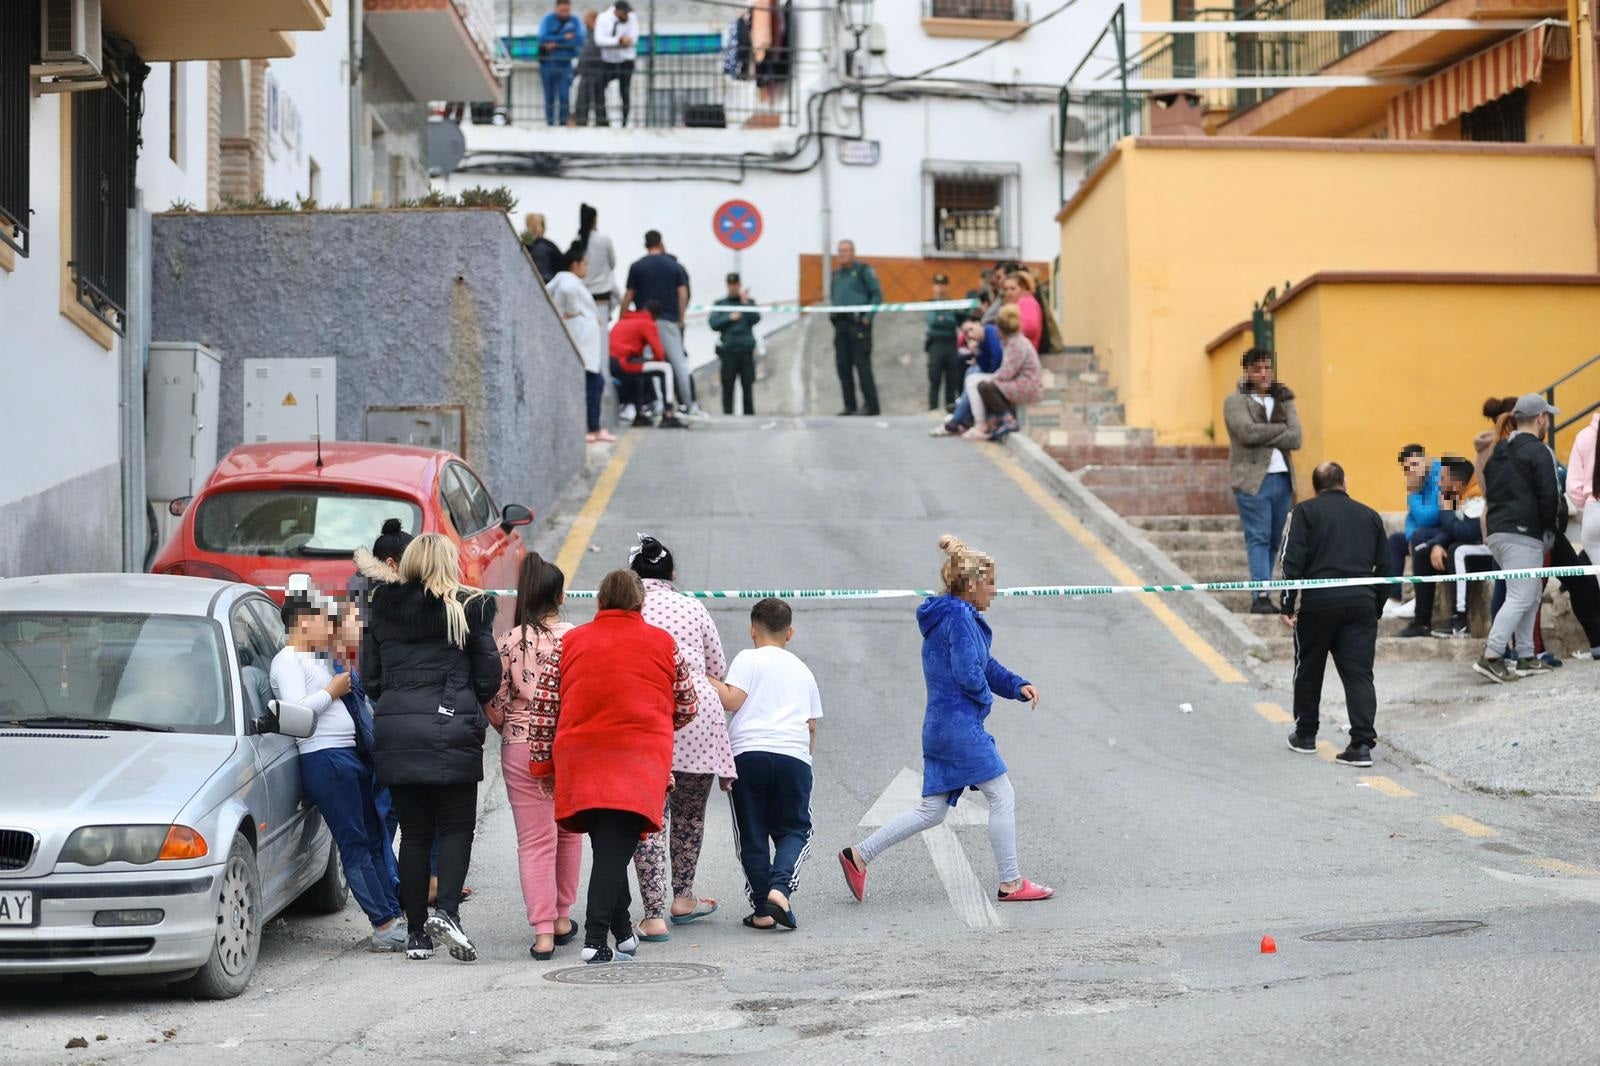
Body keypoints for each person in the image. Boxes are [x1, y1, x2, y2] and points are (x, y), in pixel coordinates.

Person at [838, 535, 1052, 904]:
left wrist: (1018, 685)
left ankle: (859, 855)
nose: (995, 592)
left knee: (932, 810)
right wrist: (986, 700)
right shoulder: (961, 618)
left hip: (937, 727)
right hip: (959, 728)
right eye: (990, 584)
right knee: (1002, 795)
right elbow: (972, 673)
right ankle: (1011, 883)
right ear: (971, 586)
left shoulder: (944, 616)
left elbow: (985, 665)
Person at [528, 570, 698, 964]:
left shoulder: (571, 642)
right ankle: (595, 938)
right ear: (640, 603)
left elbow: (545, 707)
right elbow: (688, 704)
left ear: (600, 601)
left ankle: (622, 934)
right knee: (613, 850)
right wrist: (655, 720)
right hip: (638, 762)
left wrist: (543, 767)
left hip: (581, 760)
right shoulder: (662, 643)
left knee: (608, 846)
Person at [362, 534, 499, 962]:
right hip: (452, 730)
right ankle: (449, 914)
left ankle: (417, 933)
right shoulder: (469, 608)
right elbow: (489, 677)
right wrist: (461, 696)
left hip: (397, 734)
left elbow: (371, 678)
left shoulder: (382, 610)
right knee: (456, 828)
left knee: (415, 833)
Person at [270, 589, 406, 952]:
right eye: (321, 619)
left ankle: (393, 914)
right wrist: (331, 691)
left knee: (375, 834)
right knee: (355, 842)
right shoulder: (289, 659)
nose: (327, 627)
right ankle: (383, 923)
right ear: (302, 621)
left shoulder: (316, 657)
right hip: (325, 757)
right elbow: (296, 711)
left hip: (348, 756)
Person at [628, 535, 736, 940]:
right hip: (698, 712)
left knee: (650, 818)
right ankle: (684, 897)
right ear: (672, 574)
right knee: (690, 814)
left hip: (648, 713)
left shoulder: (631, 608)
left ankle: (653, 913)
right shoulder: (694, 606)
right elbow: (716, 666)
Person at [486, 554, 581, 960]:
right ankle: (562, 916)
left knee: (534, 841)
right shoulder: (577, 639)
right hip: (569, 744)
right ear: (560, 596)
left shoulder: (509, 642)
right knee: (570, 832)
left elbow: (494, 702)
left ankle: (542, 933)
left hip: (521, 745)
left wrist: (510, 726)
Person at [707, 597, 821, 931]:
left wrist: (704, 675)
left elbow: (731, 700)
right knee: (795, 830)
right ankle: (780, 889)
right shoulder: (803, 669)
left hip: (749, 754)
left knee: (752, 832)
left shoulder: (748, 658)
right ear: (791, 633)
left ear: (752, 630)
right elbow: (811, 725)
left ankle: (761, 909)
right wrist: (806, 761)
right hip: (793, 756)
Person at [1280, 462, 1389, 767]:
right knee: (1359, 675)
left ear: (1315, 487)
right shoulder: (1370, 515)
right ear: (1345, 481)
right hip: (1361, 605)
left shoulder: (1304, 512)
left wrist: (1288, 604)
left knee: (1308, 668)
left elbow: (1292, 561)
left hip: (1318, 604)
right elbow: (1387, 569)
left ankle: (1305, 735)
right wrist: (1374, 607)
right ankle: (1361, 744)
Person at [1474, 394, 1562, 684]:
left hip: (1498, 532)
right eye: (1546, 416)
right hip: (1523, 534)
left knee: (1530, 593)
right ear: (1540, 419)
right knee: (1521, 595)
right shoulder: (1538, 451)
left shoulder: (1499, 451)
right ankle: (1492, 655)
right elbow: (1550, 495)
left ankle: (1526, 656)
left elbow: (1488, 489)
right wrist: (1551, 527)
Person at [1224, 348, 1302, 615]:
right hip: (1252, 479)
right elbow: (1246, 432)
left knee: (1273, 539)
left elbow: (1297, 438)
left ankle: (1265, 589)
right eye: (1257, 369)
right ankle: (1260, 595)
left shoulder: (1284, 398)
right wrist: (1281, 429)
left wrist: (1265, 433)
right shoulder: (1235, 401)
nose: (1264, 373)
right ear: (1247, 371)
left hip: (1282, 479)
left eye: (1267, 368)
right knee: (1258, 536)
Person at [1399, 457, 1479, 639]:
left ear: (1457, 483)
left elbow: (1465, 531)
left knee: (1456, 551)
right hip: (1460, 549)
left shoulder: (1476, 496)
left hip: (1479, 555)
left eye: (1443, 479)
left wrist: (1445, 507)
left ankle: (1459, 622)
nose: (1440, 484)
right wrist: (1435, 544)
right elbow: (1449, 529)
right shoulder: (1458, 497)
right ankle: (1422, 622)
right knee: (1422, 550)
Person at [621, 230, 692, 419]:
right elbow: (683, 294)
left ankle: (658, 403)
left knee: (650, 364)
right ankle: (688, 403)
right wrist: (681, 318)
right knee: (678, 364)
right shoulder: (674, 266)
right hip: (669, 320)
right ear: (661, 243)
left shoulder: (637, 267)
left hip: (643, 323)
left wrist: (623, 318)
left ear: (645, 245)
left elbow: (628, 295)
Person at [548, 245, 613, 444]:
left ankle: (594, 427)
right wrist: (576, 311)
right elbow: (568, 292)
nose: (586, 268)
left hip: (584, 342)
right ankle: (593, 428)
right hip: (583, 343)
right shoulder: (568, 280)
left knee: (594, 384)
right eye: (584, 264)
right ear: (574, 265)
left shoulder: (561, 279)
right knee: (593, 385)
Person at [962, 304, 1042, 443]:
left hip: (1028, 386)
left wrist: (991, 379)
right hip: (1021, 382)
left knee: (986, 387)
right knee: (984, 385)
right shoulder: (1011, 341)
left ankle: (1007, 420)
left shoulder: (1016, 344)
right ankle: (993, 421)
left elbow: (1006, 373)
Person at [1382, 444, 1441, 618]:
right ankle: (1393, 598)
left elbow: (1430, 517)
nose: (1412, 471)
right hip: (1426, 532)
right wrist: (1409, 537)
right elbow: (1410, 519)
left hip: (1446, 530)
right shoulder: (1418, 481)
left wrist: (1413, 492)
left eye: (1415, 464)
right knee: (1395, 540)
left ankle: (1419, 598)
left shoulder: (1440, 475)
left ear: (1426, 459)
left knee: (1418, 537)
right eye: (1407, 469)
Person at [830, 239, 882, 417]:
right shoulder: (836, 275)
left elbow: (877, 295)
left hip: (859, 324)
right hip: (841, 325)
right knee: (843, 366)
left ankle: (871, 405)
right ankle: (849, 405)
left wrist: (868, 317)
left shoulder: (863, 271)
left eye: (845, 250)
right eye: (840, 251)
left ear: (853, 252)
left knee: (862, 366)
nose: (842, 254)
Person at [931, 319, 1004, 437]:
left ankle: (963, 420)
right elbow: (985, 366)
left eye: (971, 329)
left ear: (978, 324)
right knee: (971, 372)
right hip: (996, 372)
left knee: (972, 379)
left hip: (1003, 373)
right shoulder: (981, 341)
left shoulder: (990, 332)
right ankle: (961, 417)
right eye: (966, 333)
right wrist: (976, 351)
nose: (970, 334)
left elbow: (996, 360)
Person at [709, 272, 761, 416]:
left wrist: (745, 304)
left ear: (739, 285)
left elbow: (756, 319)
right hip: (728, 351)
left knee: (747, 385)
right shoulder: (721, 304)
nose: (733, 287)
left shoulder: (748, 302)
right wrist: (730, 318)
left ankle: (749, 415)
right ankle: (727, 415)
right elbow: (713, 323)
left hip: (745, 350)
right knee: (727, 386)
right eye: (730, 285)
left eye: (735, 285)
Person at [537, 0, 584, 126]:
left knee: (564, 96)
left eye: (567, 11)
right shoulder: (547, 19)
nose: (565, 13)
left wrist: (555, 44)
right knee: (549, 97)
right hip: (548, 64)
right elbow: (542, 38)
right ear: (556, 9)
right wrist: (563, 38)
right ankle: (550, 124)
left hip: (565, 65)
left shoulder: (574, 20)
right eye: (562, 11)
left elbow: (579, 40)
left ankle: (563, 123)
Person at [594, 1, 638, 127]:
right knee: (598, 87)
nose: (627, 16)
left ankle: (625, 122)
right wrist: (618, 41)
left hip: (626, 61)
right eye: (624, 13)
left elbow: (633, 38)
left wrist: (625, 41)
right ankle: (602, 120)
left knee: (624, 92)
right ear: (617, 11)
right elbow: (600, 40)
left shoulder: (631, 17)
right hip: (608, 61)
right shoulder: (603, 18)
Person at [924, 272, 963, 412]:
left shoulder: (953, 304)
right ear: (933, 286)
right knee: (934, 379)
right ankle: (932, 409)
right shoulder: (929, 304)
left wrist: (943, 319)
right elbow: (932, 321)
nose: (940, 288)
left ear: (947, 286)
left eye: (943, 285)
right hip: (936, 343)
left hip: (951, 343)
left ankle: (950, 411)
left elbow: (954, 322)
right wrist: (944, 319)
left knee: (951, 381)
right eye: (937, 284)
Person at [576, 203, 617, 330]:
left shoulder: (578, 241)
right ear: (594, 220)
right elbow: (612, 263)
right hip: (602, 291)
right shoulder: (604, 240)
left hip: (584, 291)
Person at [572, 9, 607, 126]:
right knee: (583, 99)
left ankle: (601, 122)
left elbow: (590, 52)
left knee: (598, 99)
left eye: (586, 19)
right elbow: (584, 53)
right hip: (586, 71)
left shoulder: (598, 33)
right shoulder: (587, 34)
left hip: (596, 70)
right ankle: (581, 122)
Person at [1002, 272, 1043, 350]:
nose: (1008, 292)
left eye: (1012, 289)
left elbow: (1031, 327)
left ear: (1023, 288)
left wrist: (1007, 331)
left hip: (1023, 353)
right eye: (1006, 289)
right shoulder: (1016, 303)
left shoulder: (1027, 301)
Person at [522, 213, 563, 283]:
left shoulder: (521, 246)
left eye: (536, 225)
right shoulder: (548, 246)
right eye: (532, 225)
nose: (535, 228)